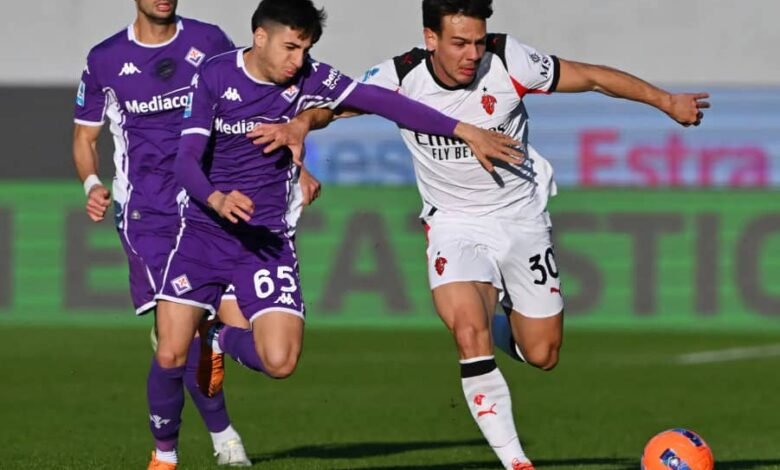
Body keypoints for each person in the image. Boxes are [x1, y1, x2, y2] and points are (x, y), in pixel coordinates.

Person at [249, 1, 709, 468]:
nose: (472, 54)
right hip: (453, 223)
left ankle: (498, 309)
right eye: (459, 43)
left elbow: (591, 77)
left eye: (478, 41)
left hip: (522, 220)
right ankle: (516, 462)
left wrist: (665, 101)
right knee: (469, 332)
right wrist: (300, 124)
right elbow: (332, 108)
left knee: (542, 353)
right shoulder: (400, 76)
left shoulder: (510, 60)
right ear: (431, 39)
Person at [151, 0, 524, 468]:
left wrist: (463, 130)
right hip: (204, 233)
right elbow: (185, 160)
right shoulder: (214, 75)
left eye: (305, 49)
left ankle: (218, 340)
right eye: (290, 47)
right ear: (260, 38)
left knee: (281, 362)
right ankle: (164, 457)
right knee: (170, 353)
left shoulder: (311, 77)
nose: (298, 60)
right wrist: (217, 198)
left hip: (265, 240)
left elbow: (386, 103)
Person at [71, 0, 260, 467]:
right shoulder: (105, 59)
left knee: (235, 329)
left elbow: (246, 101)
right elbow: (84, 138)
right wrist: (92, 183)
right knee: (179, 340)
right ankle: (176, 452)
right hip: (147, 216)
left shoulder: (209, 40)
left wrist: (293, 162)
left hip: (207, 204)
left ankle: (218, 411)